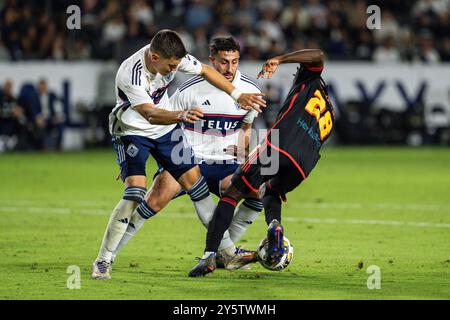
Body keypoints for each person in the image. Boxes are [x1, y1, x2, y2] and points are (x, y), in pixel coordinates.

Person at [92, 29, 266, 280]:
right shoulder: (131, 75)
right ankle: (103, 260)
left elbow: (206, 71)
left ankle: (226, 252)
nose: (174, 70)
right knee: (136, 194)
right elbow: (150, 114)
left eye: (177, 65)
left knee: (198, 188)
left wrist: (237, 94)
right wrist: (180, 116)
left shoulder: (174, 58)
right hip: (133, 131)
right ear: (154, 58)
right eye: (170, 66)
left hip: (165, 132)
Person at [188, 48, 335, 277]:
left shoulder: (310, 79)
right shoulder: (331, 115)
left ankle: (209, 257)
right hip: (304, 165)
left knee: (232, 194)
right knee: (271, 192)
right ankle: (274, 225)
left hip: (279, 145)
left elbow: (318, 54)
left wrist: (281, 58)